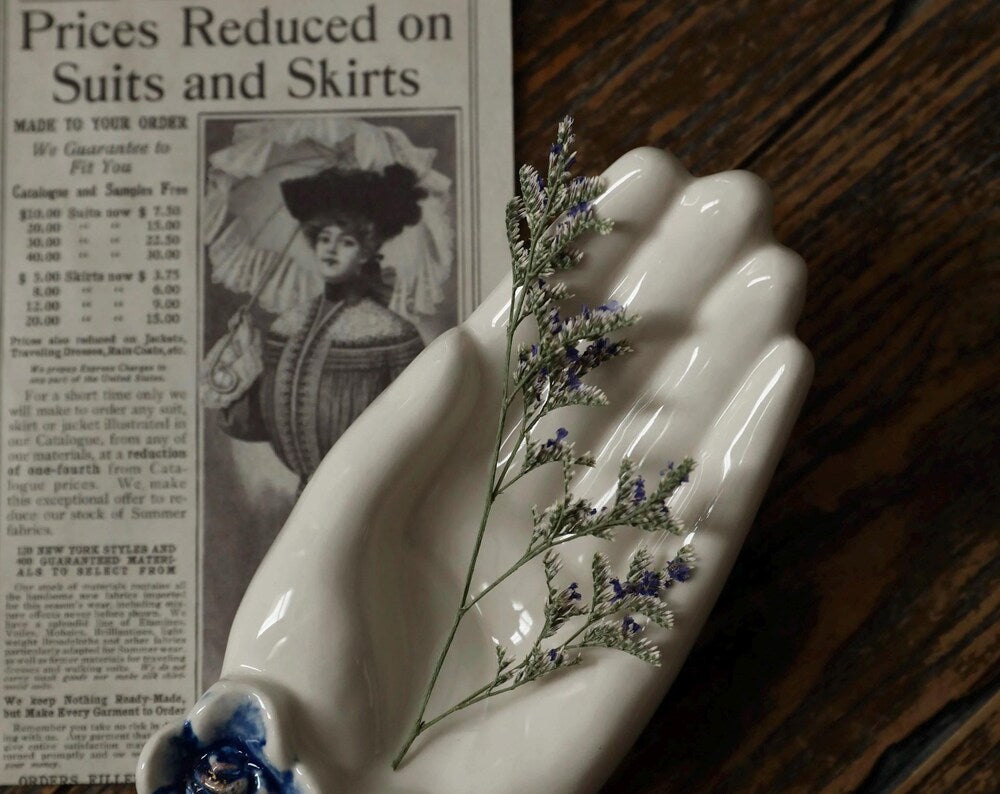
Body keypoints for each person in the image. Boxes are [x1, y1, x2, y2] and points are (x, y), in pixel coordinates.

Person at [204, 164, 427, 488]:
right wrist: (239, 348)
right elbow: (257, 423)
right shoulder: (288, 325)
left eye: (346, 241)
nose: (331, 249)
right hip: (306, 496)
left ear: (366, 251)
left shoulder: (394, 334)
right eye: (324, 238)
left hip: (372, 491)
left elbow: (420, 424)